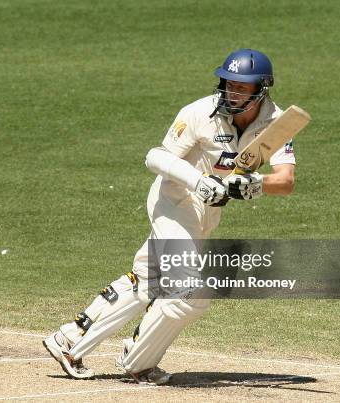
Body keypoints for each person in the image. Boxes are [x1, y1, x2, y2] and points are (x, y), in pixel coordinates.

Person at [43, 49, 296, 385]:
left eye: (241, 87)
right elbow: (156, 157)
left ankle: (68, 340)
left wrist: (252, 185)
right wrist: (198, 181)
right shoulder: (199, 112)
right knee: (191, 292)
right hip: (174, 203)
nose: (232, 92)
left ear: (261, 90)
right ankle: (138, 359)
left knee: (147, 279)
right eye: (228, 84)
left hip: (208, 213)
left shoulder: (277, 122)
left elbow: (285, 181)